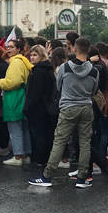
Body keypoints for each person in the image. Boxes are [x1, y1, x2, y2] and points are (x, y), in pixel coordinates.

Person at [29, 38, 99, 188]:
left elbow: (58, 86)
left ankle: (47, 175)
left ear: (74, 49)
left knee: (60, 140)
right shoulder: (94, 71)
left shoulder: (64, 68)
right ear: (88, 50)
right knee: (85, 142)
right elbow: (94, 90)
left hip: (68, 106)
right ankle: (82, 177)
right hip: (86, 107)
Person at [0, 39, 33, 166]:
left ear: (18, 49)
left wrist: (0, 82)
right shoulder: (23, 61)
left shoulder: (16, 62)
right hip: (21, 96)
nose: (8, 49)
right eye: (7, 47)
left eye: (11, 47)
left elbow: (14, 82)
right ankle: (26, 154)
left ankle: (18, 156)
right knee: (24, 128)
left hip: (14, 98)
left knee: (15, 128)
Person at [24, 45, 57, 166]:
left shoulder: (38, 71)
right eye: (31, 55)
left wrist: (27, 108)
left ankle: (39, 159)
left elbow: (35, 93)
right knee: (46, 134)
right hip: (47, 107)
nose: (32, 58)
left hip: (38, 108)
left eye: (35, 55)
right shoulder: (48, 69)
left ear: (41, 56)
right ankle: (45, 158)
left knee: (38, 135)